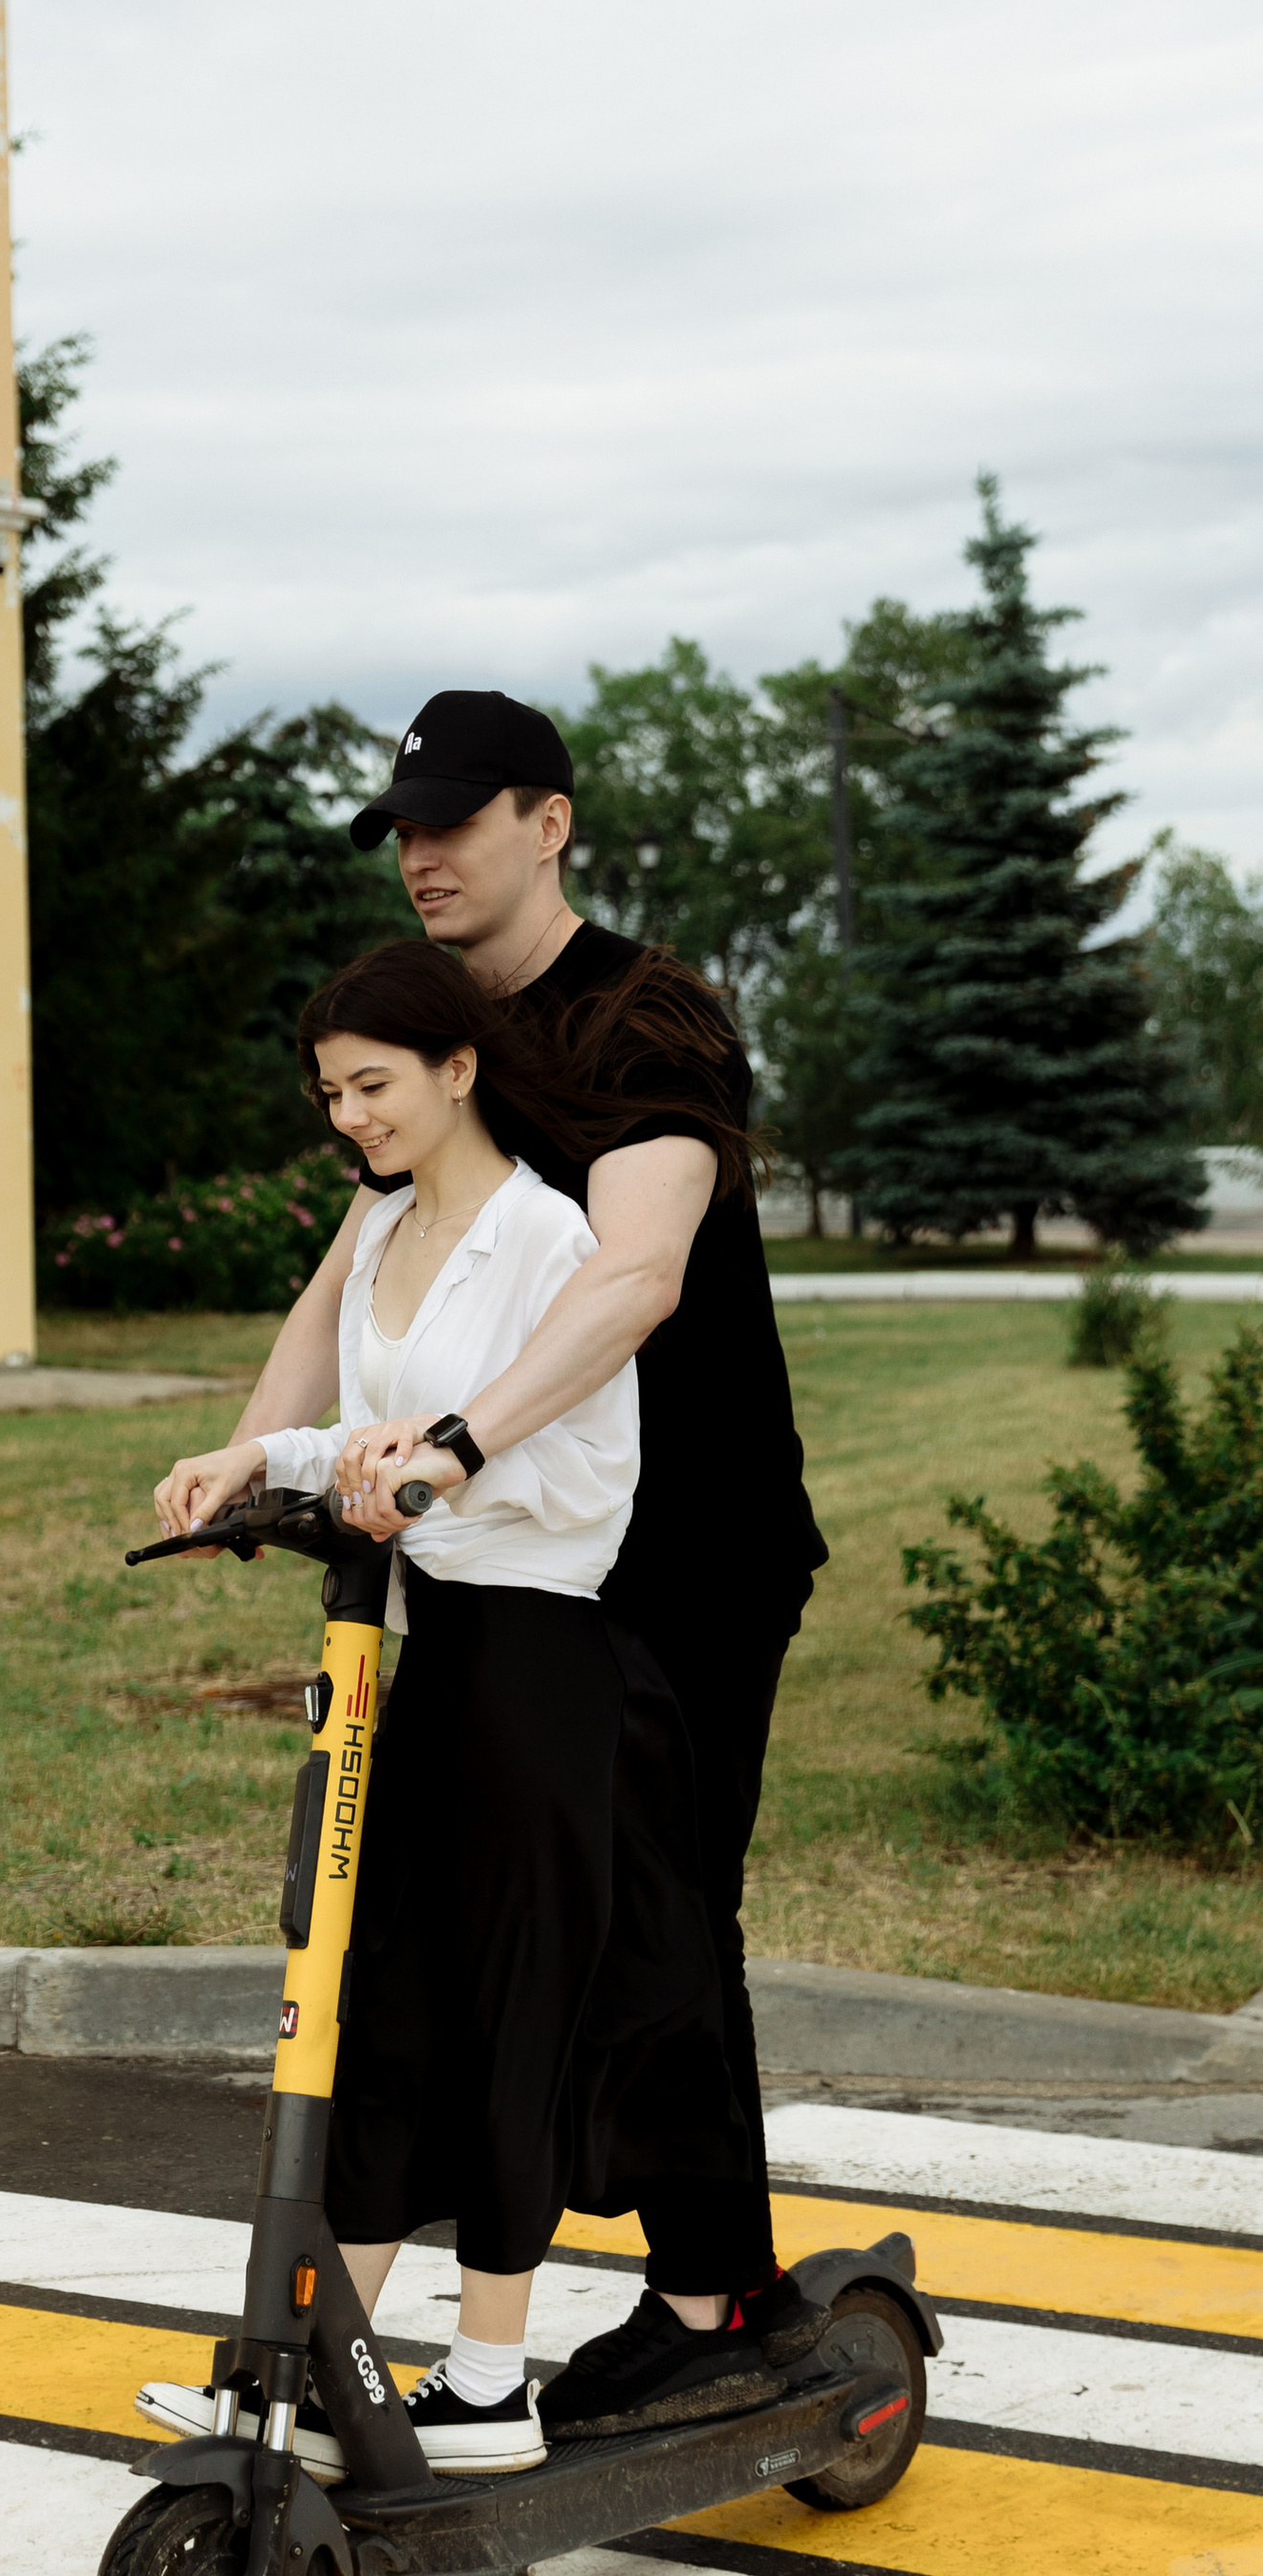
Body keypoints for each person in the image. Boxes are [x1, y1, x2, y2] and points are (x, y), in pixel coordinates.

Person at [225, 687, 830, 2436]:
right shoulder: (419, 1030)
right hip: (506, 1561)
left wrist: (462, 1443)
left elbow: (635, 1275)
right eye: (405, 828)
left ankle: (717, 2295)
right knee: (474, 1922)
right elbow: (351, 1268)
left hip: (689, 1550)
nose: (423, 853)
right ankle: (422, 2309)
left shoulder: (650, 1021)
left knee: (658, 1909)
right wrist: (251, 1463)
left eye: (458, 819)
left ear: (547, 823)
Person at [138, 941, 761, 2479]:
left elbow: (569, 1457)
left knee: (509, 2012)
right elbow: (365, 1428)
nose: (349, 1116)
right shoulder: (388, 1222)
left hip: (544, 1666)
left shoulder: (547, 1238)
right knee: (387, 2014)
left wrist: (448, 1465)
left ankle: (486, 2378)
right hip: (428, 1657)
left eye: (373, 1086)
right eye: (331, 1093)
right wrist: (254, 1469)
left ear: (459, 1068)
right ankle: (297, 2371)